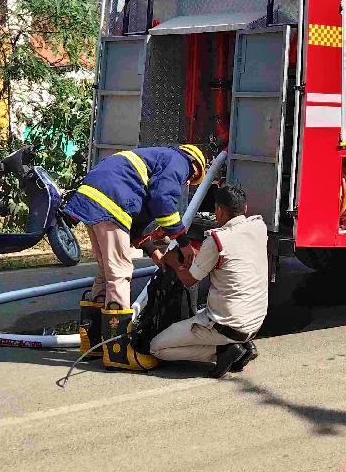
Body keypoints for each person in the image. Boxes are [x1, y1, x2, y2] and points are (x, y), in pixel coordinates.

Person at [62, 144, 207, 371]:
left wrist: (154, 252)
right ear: (195, 167)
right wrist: (184, 243)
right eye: (191, 178)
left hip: (92, 198)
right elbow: (164, 202)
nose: (187, 182)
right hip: (111, 202)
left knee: (106, 270)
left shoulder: (157, 159)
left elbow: (139, 222)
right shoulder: (179, 162)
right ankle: (118, 352)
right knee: (120, 272)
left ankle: (95, 342)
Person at [150, 184, 268, 378]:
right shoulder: (258, 226)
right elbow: (233, 260)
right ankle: (237, 345)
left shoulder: (217, 240)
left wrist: (172, 260)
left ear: (219, 210)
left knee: (157, 348)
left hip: (226, 325)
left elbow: (189, 280)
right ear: (245, 208)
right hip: (255, 321)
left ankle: (223, 351)